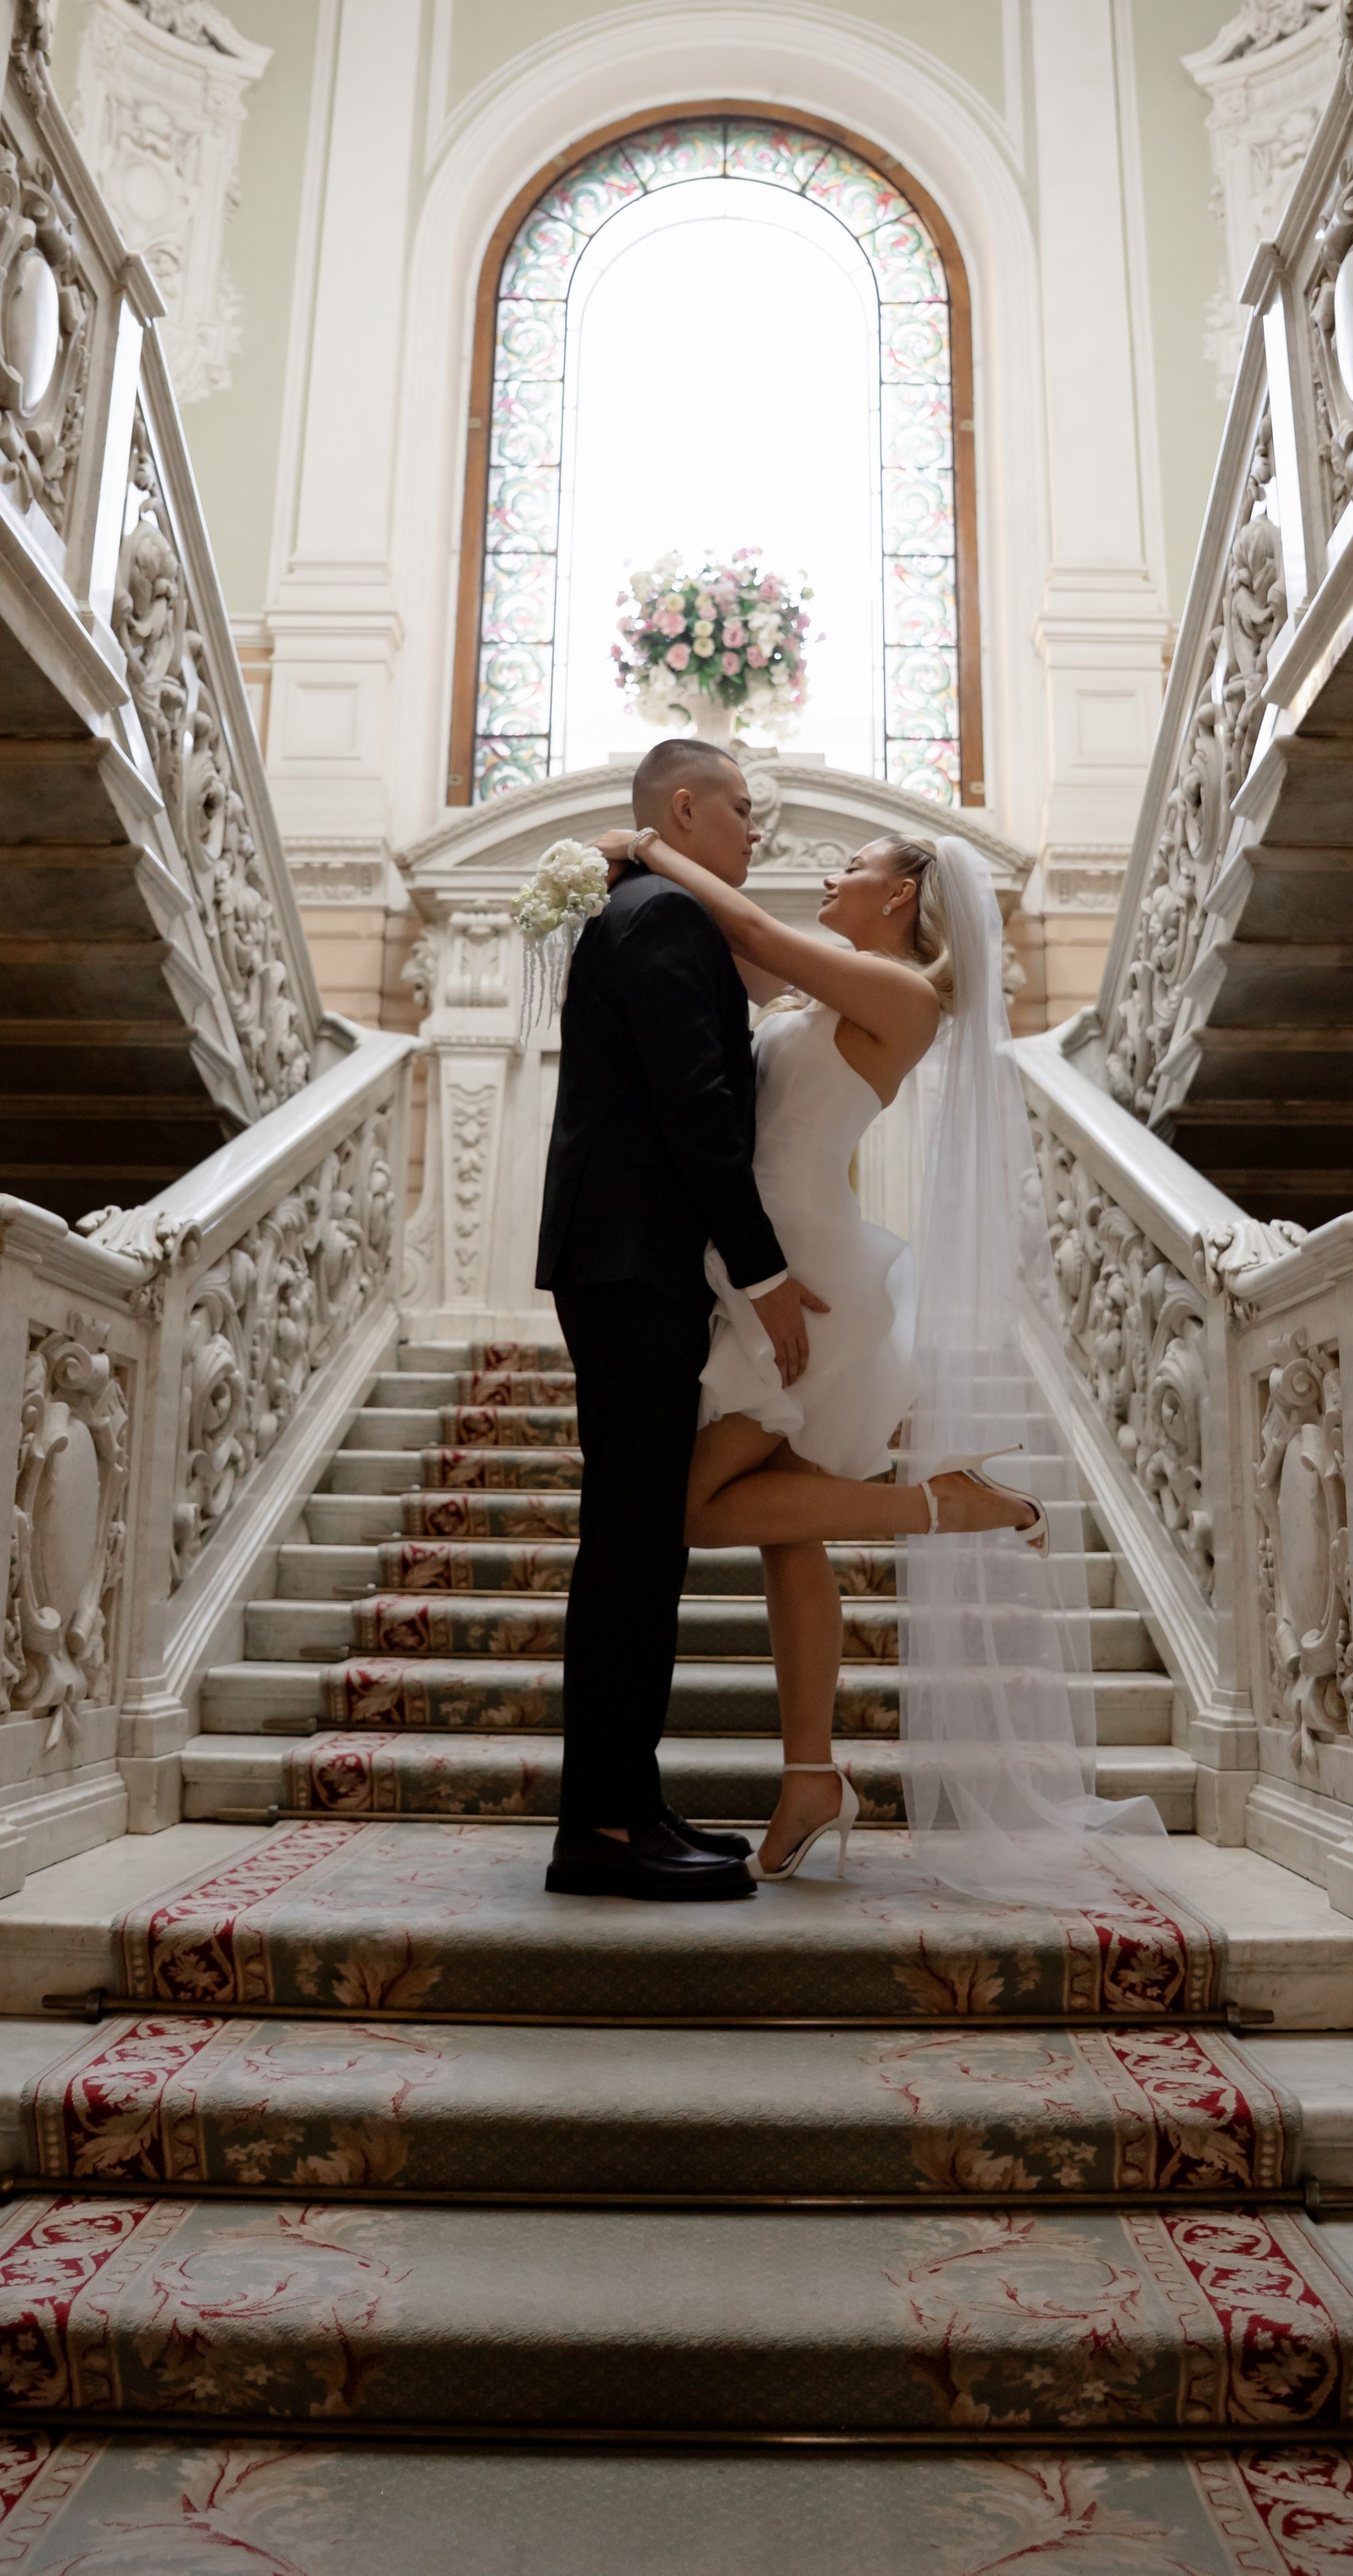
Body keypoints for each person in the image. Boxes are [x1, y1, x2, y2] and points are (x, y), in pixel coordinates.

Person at [592, 813, 1057, 1885]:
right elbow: (735, 957)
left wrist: (651, 847)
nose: (830, 876)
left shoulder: (901, 995)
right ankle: (811, 1774)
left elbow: (745, 919)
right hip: (764, 1257)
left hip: (800, 1276)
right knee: (785, 1536)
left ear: (900, 895)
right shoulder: (840, 984)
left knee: (693, 1509)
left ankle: (950, 1505)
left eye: (852, 866)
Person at [535, 737, 827, 1902]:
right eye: (747, 811)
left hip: (636, 1264)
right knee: (628, 1545)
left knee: (642, 1543)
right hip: (631, 1264)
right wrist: (762, 1273)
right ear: (689, 806)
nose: (760, 833)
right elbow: (694, 1103)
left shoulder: (660, 904)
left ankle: (626, 1802)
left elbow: (752, 999)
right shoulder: (658, 917)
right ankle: (602, 1829)